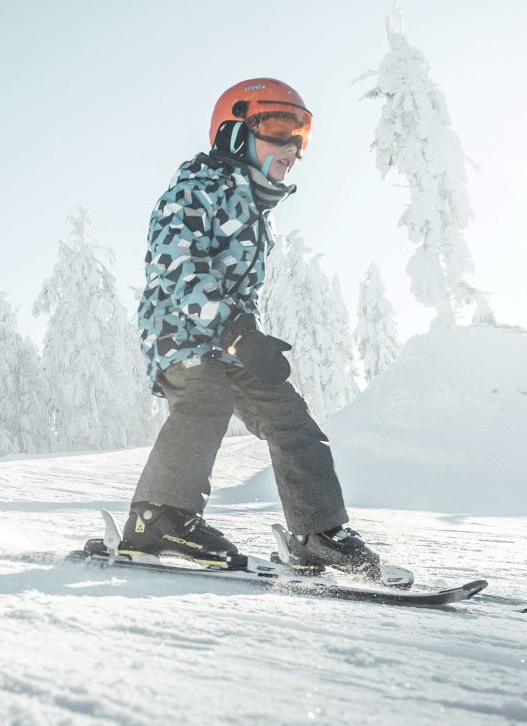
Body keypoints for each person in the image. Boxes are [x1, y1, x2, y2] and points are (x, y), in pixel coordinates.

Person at [122, 78, 380, 576]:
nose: (293, 148)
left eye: (301, 136)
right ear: (234, 134)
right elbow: (180, 268)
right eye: (281, 128)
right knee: (205, 398)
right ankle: (158, 518)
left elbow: (243, 290)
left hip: (227, 339)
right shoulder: (195, 189)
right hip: (180, 333)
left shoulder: (258, 212)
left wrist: (251, 336)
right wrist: (237, 332)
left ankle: (317, 532)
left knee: (290, 416)